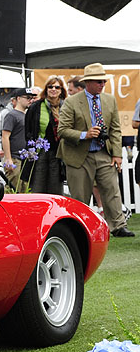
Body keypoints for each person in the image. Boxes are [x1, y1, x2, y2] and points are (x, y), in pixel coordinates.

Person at [57, 63, 134, 237]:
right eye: (99, 81)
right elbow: (62, 130)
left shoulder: (109, 100)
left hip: (102, 152)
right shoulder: (71, 102)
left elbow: (115, 129)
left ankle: (118, 226)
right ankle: (80, 229)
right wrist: (85, 134)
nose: (102, 84)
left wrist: (117, 154)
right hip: (78, 155)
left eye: (104, 81)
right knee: (80, 196)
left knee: (112, 189)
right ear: (88, 82)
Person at [24, 76, 67, 195]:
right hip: (39, 151)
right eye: (50, 87)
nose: (53, 89)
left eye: (57, 87)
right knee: (38, 185)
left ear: (61, 90)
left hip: (58, 152)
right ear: (46, 89)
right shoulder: (36, 106)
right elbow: (28, 130)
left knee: (56, 188)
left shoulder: (65, 106)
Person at [1, 87, 36, 189]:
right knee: (13, 189)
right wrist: (8, 158)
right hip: (15, 158)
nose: (31, 100)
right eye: (28, 98)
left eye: (32, 98)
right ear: (18, 98)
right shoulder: (12, 115)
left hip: (26, 158)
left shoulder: (27, 115)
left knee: (25, 189)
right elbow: (5, 136)